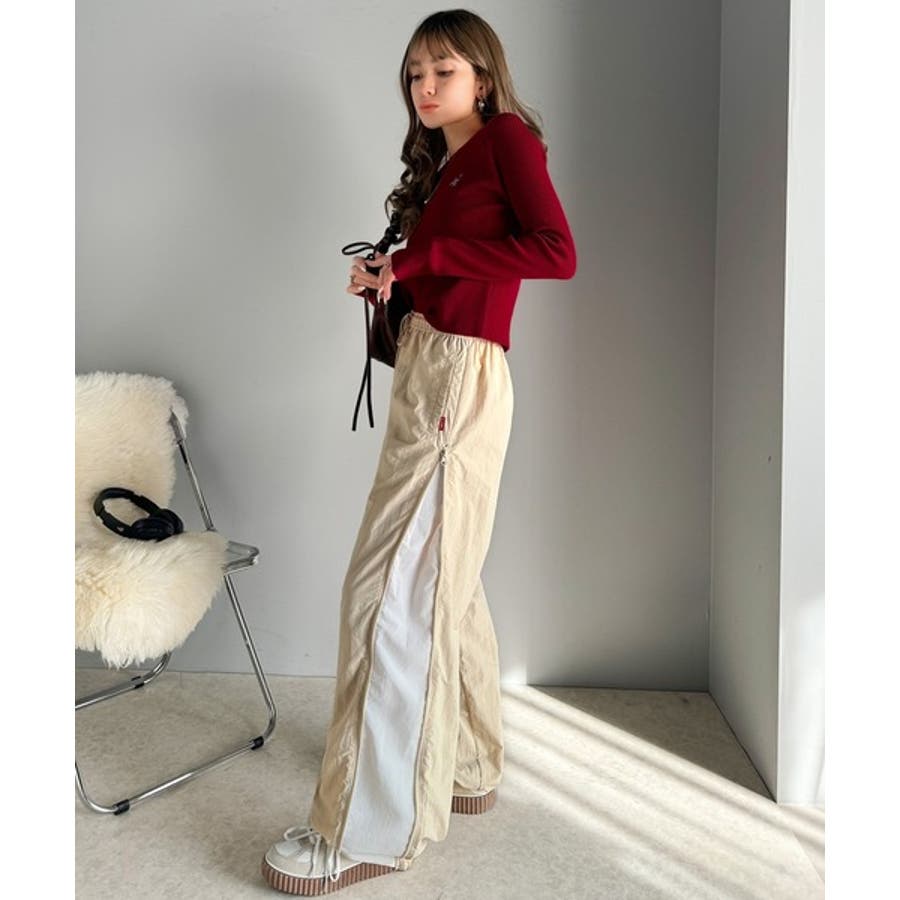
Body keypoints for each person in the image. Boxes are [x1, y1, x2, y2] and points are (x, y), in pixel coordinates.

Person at [261, 9, 576, 896]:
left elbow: (555, 252)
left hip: (457, 382)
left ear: (484, 77)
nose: (426, 87)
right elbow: (456, 269)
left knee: (389, 593)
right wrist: (393, 279)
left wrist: (424, 252)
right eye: (414, 74)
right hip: (429, 369)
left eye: (444, 70)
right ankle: (467, 764)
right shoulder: (447, 165)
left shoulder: (507, 141)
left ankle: (369, 827)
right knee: (445, 579)